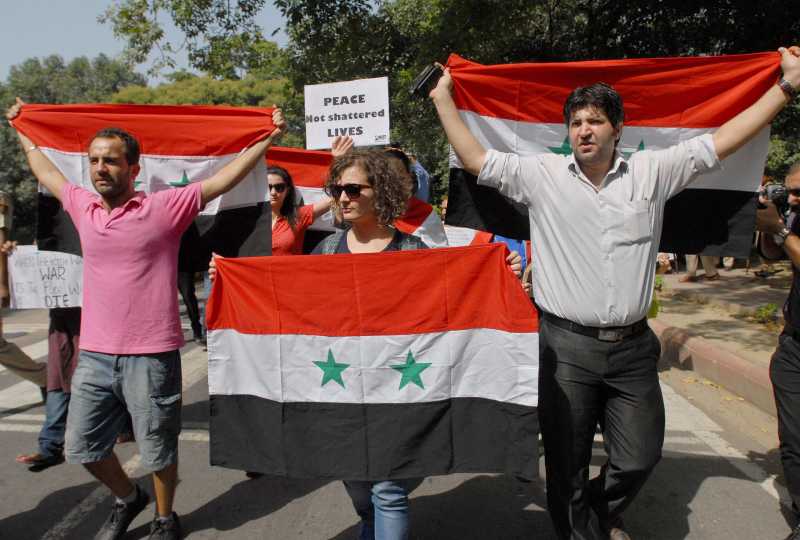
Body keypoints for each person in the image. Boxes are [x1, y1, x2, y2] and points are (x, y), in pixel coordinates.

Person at [430, 46, 800, 540]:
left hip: (633, 350)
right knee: (566, 464)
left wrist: (787, 87)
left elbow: (722, 142)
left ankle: (599, 512)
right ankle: (582, 530)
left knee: (639, 457)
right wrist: (442, 99)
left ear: (618, 128)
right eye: (576, 122)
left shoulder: (654, 172)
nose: (584, 130)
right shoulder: (540, 176)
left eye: (595, 121)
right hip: (564, 349)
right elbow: (475, 158)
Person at [6, 97, 286, 540]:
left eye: (112, 161)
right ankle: (127, 496)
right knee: (81, 446)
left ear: (133, 169)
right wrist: (23, 127)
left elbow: (222, 180)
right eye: (95, 161)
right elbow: (45, 171)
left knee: (157, 448)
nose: (101, 168)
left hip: (152, 354)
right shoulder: (83, 206)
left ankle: (164, 517)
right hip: (95, 354)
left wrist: (267, 139)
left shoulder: (164, 208)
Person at [757, 160, 800, 540]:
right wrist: (766, 226)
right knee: (794, 441)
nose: (794, 198)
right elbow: (774, 256)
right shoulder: (795, 216)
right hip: (794, 345)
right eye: (789, 191)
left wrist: (782, 229)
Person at [15, 306, 81, 471]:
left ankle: (124, 425)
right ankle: (49, 447)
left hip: (95, 313)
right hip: (62, 315)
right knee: (58, 377)